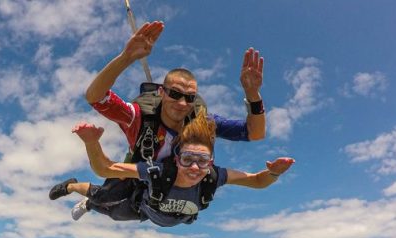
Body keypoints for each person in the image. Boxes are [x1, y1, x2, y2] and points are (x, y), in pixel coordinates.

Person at [76, 21, 267, 218]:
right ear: (161, 92)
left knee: (133, 214)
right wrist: (126, 58)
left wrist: (253, 94)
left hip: (173, 184)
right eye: (175, 94)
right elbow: (95, 97)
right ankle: (80, 193)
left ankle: (97, 203)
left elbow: (256, 133)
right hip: (140, 172)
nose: (183, 103)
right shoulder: (139, 117)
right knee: (105, 198)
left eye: (190, 97)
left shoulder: (202, 122)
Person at [49, 110, 294, 227]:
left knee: (112, 213)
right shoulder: (159, 171)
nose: (195, 168)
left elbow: (257, 181)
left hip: (145, 212)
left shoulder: (213, 176)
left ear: (211, 162)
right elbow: (105, 168)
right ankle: (72, 185)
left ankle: (91, 205)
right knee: (104, 195)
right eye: (188, 159)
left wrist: (274, 173)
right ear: (176, 159)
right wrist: (92, 142)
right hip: (141, 202)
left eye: (203, 161)